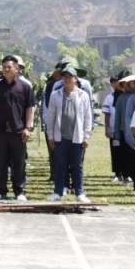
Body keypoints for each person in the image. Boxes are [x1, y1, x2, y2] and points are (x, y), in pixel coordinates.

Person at [0, 55, 35, 201]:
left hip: (18, 131)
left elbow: (30, 108)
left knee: (19, 163)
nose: (6, 70)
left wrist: (28, 127)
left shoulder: (25, 87)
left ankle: (19, 191)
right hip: (0, 131)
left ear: (17, 69)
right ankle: (0, 191)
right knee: (0, 163)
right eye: (4, 67)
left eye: (9, 67)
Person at [45, 66, 92, 203]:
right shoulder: (55, 94)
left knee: (77, 166)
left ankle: (79, 192)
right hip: (60, 137)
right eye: (64, 76)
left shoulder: (83, 95)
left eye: (70, 76)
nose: (67, 79)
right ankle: (58, 192)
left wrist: (86, 136)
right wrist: (50, 136)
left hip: (77, 137)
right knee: (60, 165)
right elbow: (51, 116)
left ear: (75, 79)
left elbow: (88, 117)